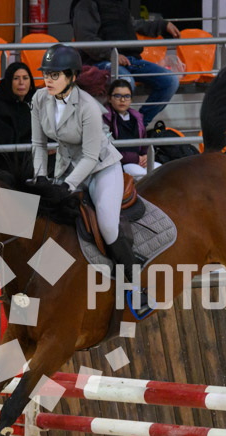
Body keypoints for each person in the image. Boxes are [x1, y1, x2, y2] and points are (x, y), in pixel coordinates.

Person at [32, 44, 148, 313]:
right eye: (46, 74)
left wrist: (67, 185)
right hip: (66, 166)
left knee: (107, 224)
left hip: (101, 168)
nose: (48, 80)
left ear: (72, 76)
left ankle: (136, 284)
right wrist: (40, 177)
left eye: (55, 75)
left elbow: (90, 155)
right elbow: (38, 144)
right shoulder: (39, 99)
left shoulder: (89, 107)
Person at [71, 0, 180, 126]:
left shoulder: (119, 3)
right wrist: (111, 55)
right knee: (126, 81)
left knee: (170, 80)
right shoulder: (86, 3)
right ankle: (118, 127)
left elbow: (133, 24)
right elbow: (85, 38)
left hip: (130, 60)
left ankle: (137, 126)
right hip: (100, 61)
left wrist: (162, 25)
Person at [0, 62, 35, 177]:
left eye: (25, 78)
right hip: (4, 166)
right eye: (16, 78)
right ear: (9, 82)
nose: (21, 82)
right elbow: (5, 147)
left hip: (28, 158)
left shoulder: (33, 105)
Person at [102, 79, 157, 178]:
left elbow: (144, 141)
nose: (122, 100)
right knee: (142, 176)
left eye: (127, 96)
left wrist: (145, 156)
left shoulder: (137, 117)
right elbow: (108, 148)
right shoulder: (105, 118)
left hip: (139, 160)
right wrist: (135, 158)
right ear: (109, 98)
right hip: (118, 163)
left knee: (162, 171)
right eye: (117, 96)